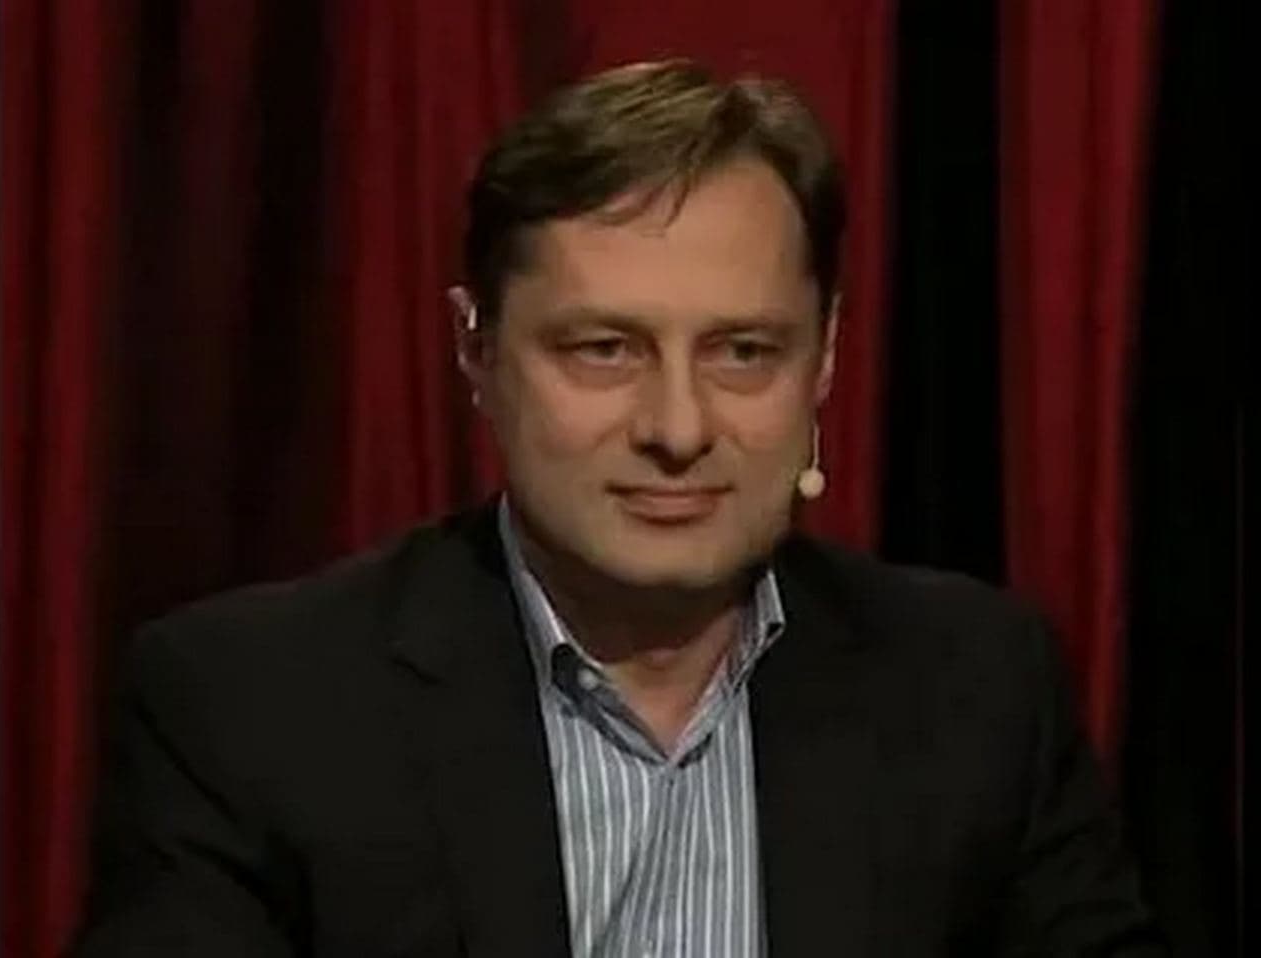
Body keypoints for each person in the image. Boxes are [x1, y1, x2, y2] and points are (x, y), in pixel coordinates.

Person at [72, 59, 1161, 956]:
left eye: (743, 351)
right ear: (476, 350)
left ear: (824, 356)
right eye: (604, 349)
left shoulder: (978, 691)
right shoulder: (252, 709)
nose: (677, 428)